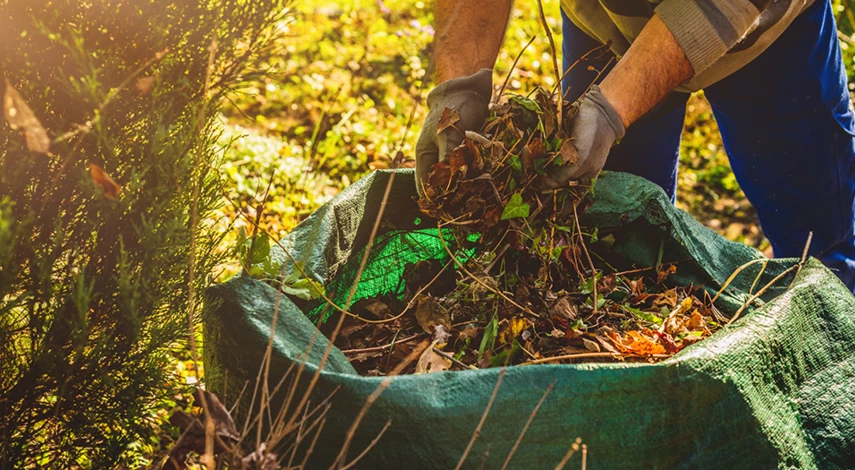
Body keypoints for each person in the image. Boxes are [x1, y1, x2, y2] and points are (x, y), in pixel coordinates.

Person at [415, 0, 855, 293]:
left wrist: (614, 107)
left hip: (768, 35)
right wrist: (459, 84)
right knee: (616, 248)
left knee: (818, 246)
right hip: (607, 23)